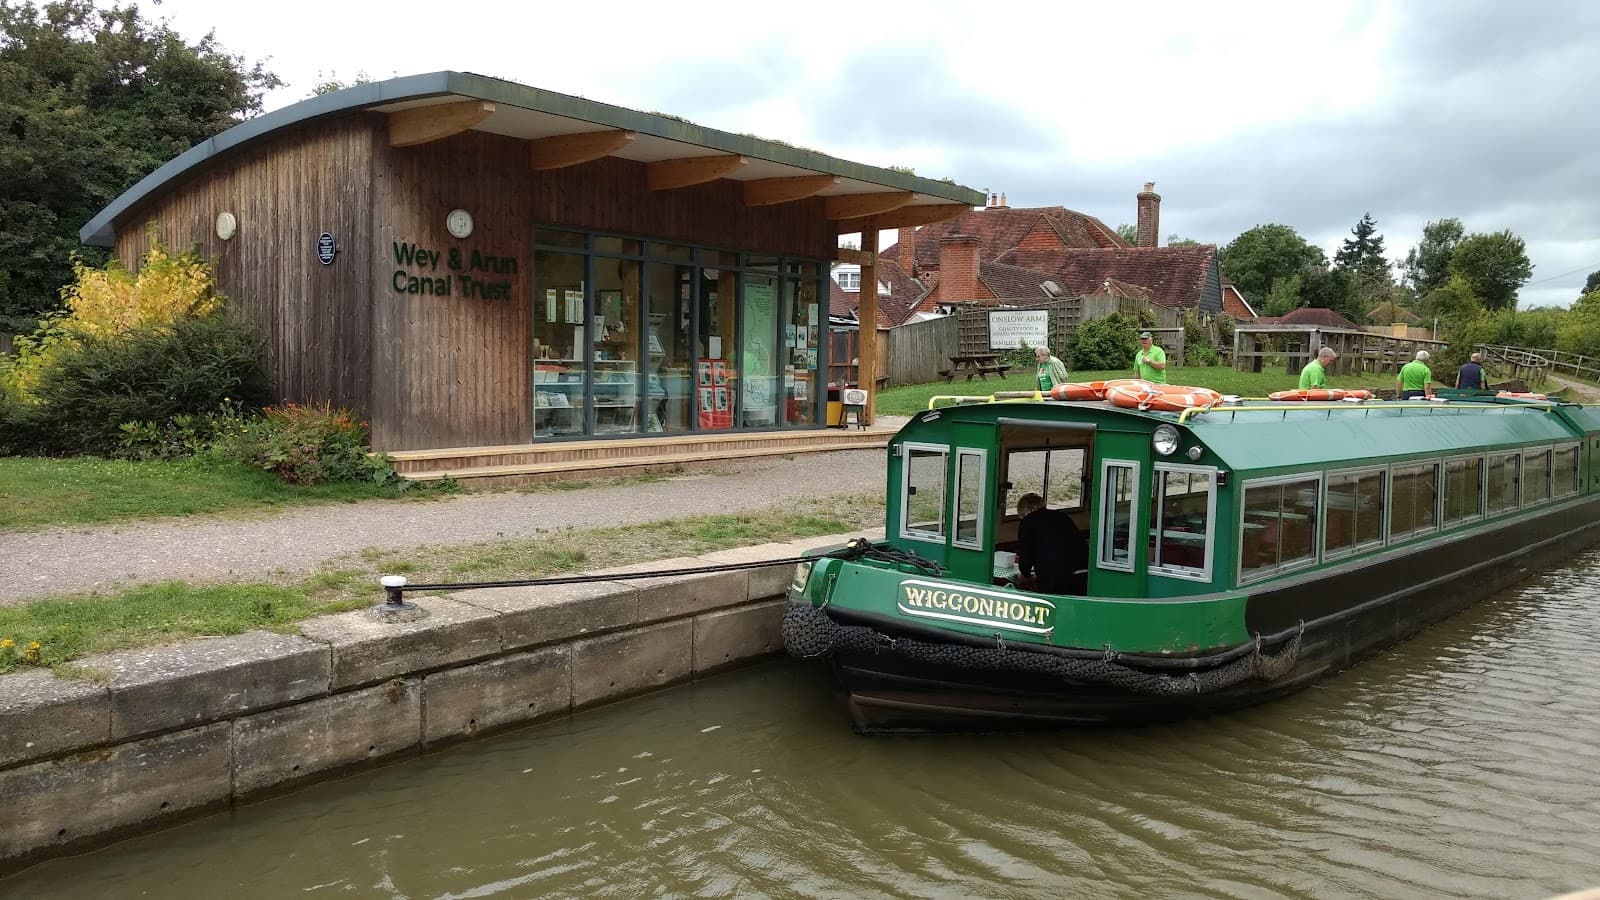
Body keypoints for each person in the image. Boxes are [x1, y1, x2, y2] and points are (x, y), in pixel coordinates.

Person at [1015, 492, 1088, 595]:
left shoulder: (1027, 522)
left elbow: (1026, 556)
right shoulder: (1062, 516)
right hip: (1082, 572)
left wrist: (1025, 574)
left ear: (1024, 511)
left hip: (1055, 579)